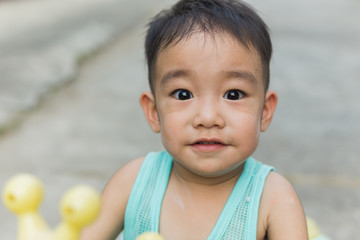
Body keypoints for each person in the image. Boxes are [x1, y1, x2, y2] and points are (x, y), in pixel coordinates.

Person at [82, 0, 308, 239]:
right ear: (154, 112)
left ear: (264, 111)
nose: (208, 118)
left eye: (233, 94)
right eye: (183, 94)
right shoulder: (133, 183)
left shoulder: (274, 198)